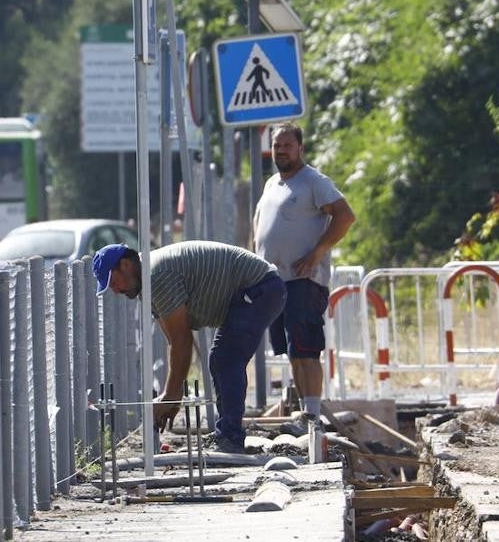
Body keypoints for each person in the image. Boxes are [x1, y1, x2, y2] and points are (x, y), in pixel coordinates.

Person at [93, 240, 285, 453]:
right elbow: (175, 342)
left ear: (126, 265)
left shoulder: (156, 276)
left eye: (112, 281)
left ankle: (230, 438)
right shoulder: (147, 288)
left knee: (226, 358)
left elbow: (182, 341)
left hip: (260, 287)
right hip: (258, 288)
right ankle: (228, 436)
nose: (115, 290)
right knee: (221, 359)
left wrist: (171, 395)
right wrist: (174, 396)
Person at [253, 122, 356, 433]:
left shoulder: (313, 181)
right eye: (277, 145)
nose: (281, 150)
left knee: (306, 348)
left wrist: (317, 252)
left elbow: (345, 215)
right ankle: (304, 413)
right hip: (274, 281)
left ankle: (312, 414)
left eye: (287, 144)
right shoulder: (272, 184)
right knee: (291, 350)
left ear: (300, 148)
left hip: (303, 280)